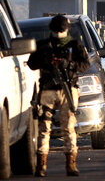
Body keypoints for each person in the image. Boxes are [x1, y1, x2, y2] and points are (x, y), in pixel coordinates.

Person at [27, 15, 90, 177]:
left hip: (67, 90)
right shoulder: (43, 46)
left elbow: (84, 65)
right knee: (44, 128)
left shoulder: (74, 45)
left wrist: (67, 64)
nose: (59, 33)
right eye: (58, 30)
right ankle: (41, 166)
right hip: (48, 91)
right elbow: (32, 64)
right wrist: (46, 60)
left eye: (61, 30)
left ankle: (71, 165)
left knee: (68, 128)